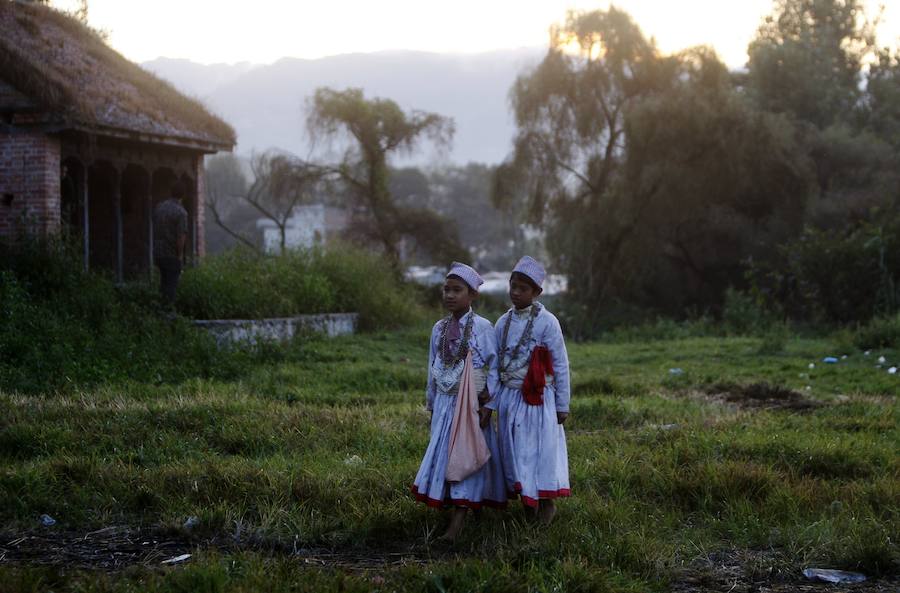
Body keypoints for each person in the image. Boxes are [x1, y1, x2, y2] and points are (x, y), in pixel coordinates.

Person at [411, 262, 507, 541]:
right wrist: (431, 405)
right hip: (444, 404)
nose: (450, 295)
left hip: (471, 406)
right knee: (447, 457)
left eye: (457, 290)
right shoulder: (438, 329)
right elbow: (432, 368)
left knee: (468, 455)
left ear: (472, 294)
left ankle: (456, 526)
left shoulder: (482, 328)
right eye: (446, 289)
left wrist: (489, 405)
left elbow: (495, 369)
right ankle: (465, 507)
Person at [491, 255, 571, 525]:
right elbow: (495, 364)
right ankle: (528, 506)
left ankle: (546, 504)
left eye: (523, 288)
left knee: (537, 451)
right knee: (513, 452)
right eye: (512, 286)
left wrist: (562, 404)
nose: (515, 292)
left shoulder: (548, 322)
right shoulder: (502, 323)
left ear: (537, 292)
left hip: (538, 401)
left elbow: (560, 363)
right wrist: (491, 402)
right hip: (509, 399)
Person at [152, 181, 189, 309]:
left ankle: (160, 313)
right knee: (171, 287)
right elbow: (181, 237)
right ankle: (167, 315)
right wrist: (179, 256)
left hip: (158, 252)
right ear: (183, 195)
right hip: (171, 254)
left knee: (163, 284)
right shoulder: (181, 213)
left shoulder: (160, 207)